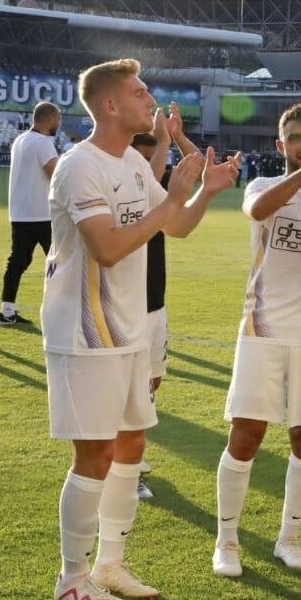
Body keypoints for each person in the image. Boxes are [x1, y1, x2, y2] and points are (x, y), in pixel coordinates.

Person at [47, 59, 236, 600]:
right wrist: (173, 198)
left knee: (131, 443)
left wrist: (203, 191)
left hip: (131, 328)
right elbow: (106, 247)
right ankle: (71, 576)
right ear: (109, 105)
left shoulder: (131, 159)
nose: (148, 98)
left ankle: (110, 563)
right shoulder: (79, 167)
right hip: (87, 333)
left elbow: (173, 226)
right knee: (95, 453)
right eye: (138, 91)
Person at [213, 103, 301, 578]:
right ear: (279, 143)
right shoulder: (264, 186)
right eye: (294, 136)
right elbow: (257, 210)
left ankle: (289, 538)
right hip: (261, 330)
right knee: (246, 434)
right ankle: (227, 541)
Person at [129, 105, 202, 499]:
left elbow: (206, 171)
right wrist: (161, 142)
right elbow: (146, 180)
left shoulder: (157, 178)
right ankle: (128, 466)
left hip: (154, 301)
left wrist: (174, 137)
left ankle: (130, 460)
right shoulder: (119, 177)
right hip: (123, 306)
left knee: (152, 383)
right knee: (132, 393)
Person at [0, 101, 64, 326]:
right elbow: (56, 174)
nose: (58, 123)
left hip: (20, 212)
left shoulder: (20, 140)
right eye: (57, 119)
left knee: (18, 261)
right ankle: (62, 313)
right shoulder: (44, 142)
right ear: (49, 119)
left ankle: (6, 311)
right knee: (61, 262)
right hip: (42, 214)